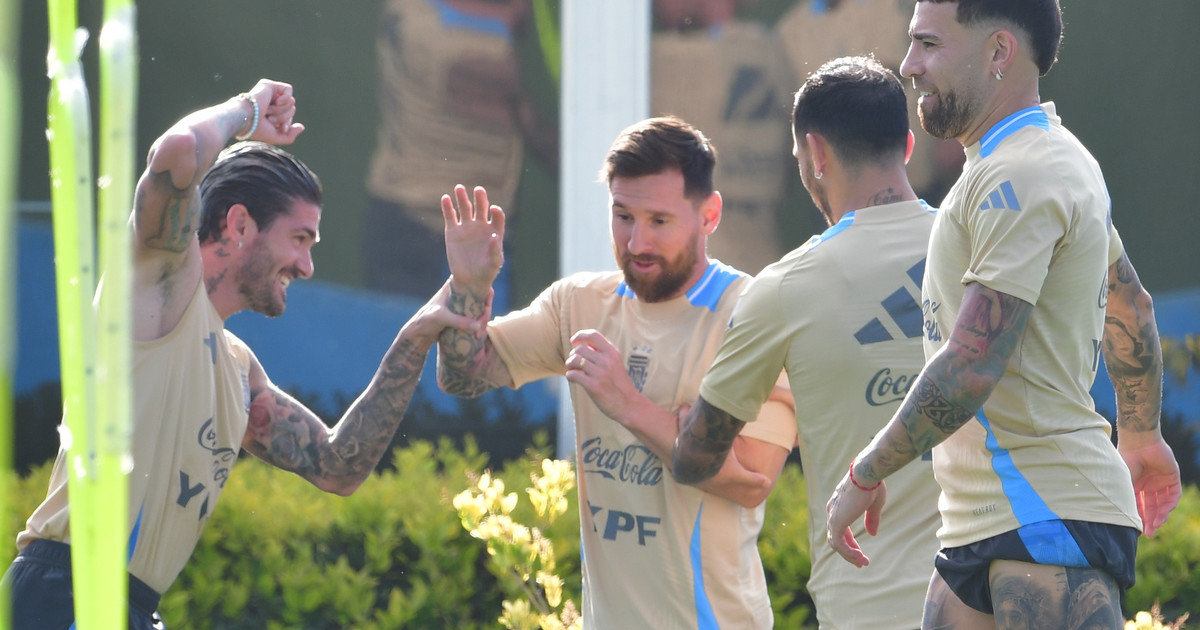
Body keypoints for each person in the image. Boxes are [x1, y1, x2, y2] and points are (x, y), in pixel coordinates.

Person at [2, 79, 483, 629]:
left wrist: (416, 338)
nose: (307, 267)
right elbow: (178, 151)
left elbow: (338, 467)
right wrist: (247, 111)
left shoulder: (237, 367)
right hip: (65, 597)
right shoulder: (160, 281)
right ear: (238, 224)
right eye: (300, 239)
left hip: (129, 608)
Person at [819, 1, 1181, 627]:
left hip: (1045, 518)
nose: (909, 65)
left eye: (929, 44)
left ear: (998, 52)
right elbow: (1132, 304)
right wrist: (1142, 436)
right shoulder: (1033, 161)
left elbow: (972, 364)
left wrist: (865, 473)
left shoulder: (1023, 171)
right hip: (987, 522)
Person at [436, 116, 797, 629]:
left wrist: (628, 404)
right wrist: (468, 290)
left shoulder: (751, 314)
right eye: (623, 216)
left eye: (659, 221)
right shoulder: (578, 303)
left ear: (709, 215)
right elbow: (463, 376)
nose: (637, 242)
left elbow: (752, 483)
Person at [670, 55, 943, 629]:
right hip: (994, 596)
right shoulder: (980, 248)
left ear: (816, 154)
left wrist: (633, 404)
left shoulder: (783, 289)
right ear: (907, 146)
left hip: (869, 610)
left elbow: (697, 456)